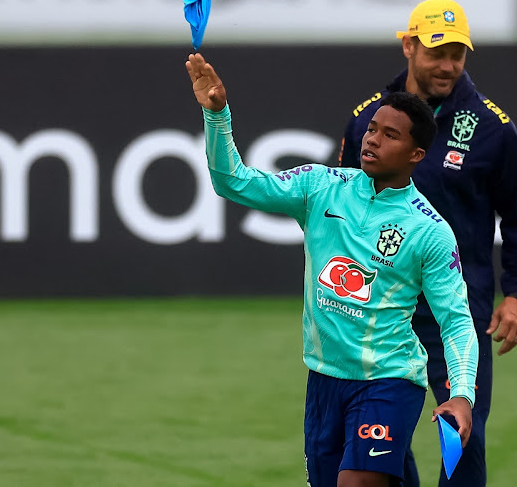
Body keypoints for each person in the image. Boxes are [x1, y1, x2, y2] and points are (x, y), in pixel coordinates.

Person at [186, 51, 479, 487]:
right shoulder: (320, 186)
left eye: (390, 135)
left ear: (417, 153)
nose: (372, 139)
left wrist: (461, 395)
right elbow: (234, 182)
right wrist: (216, 114)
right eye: (373, 129)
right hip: (324, 381)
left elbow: (455, 320)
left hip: (389, 380)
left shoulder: (429, 230)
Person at [339, 0, 517, 486]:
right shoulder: (369, 119)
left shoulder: (493, 128)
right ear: (409, 47)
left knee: (462, 434)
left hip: (457, 310)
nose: (448, 65)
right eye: (437, 52)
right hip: (382, 310)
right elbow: (344, 208)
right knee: (381, 435)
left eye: (458, 54)